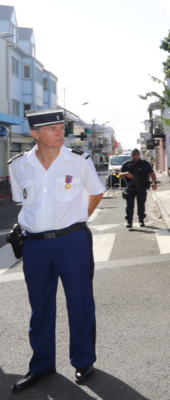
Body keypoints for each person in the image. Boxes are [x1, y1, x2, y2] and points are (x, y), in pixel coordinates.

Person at [8, 108, 105, 392]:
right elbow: (23, 204)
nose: (60, 132)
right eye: (53, 129)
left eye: (62, 127)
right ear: (35, 134)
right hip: (35, 246)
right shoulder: (18, 166)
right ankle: (41, 365)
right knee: (40, 307)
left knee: (80, 301)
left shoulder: (78, 161)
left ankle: (83, 361)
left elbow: (96, 192)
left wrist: (76, 221)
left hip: (72, 241)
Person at [118, 148, 157, 228]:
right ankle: (129, 222)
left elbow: (152, 174)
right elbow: (120, 175)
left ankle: (141, 220)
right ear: (131, 155)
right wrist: (126, 173)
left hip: (142, 187)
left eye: (138, 154)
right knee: (129, 205)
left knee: (141, 205)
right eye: (134, 154)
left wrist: (154, 183)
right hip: (131, 187)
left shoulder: (145, 164)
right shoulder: (126, 164)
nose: (136, 156)